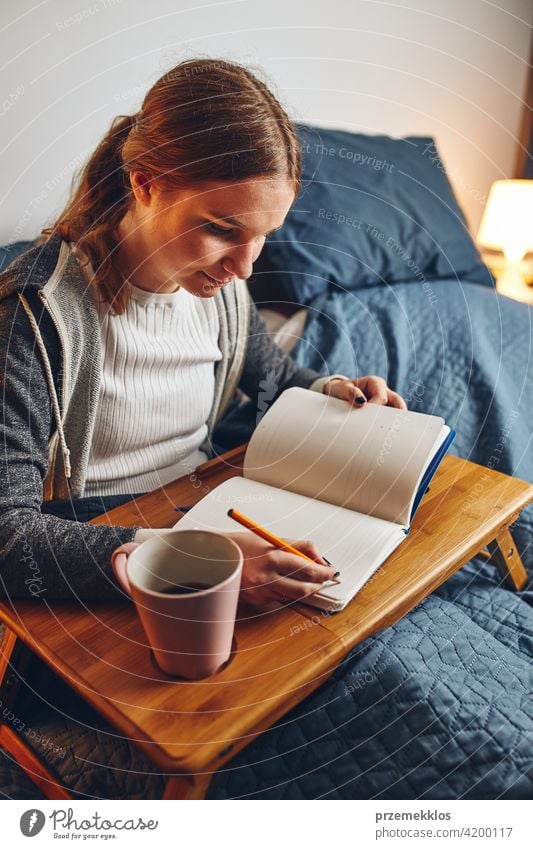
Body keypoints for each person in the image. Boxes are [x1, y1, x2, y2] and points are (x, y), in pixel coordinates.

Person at [0, 57, 406, 797]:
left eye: (263, 237)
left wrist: (334, 392)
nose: (245, 268)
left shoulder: (219, 296)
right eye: (222, 231)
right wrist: (187, 561)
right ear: (146, 182)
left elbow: (271, 379)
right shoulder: (35, 319)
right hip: (94, 582)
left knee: (372, 653)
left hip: (208, 523)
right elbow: (7, 538)